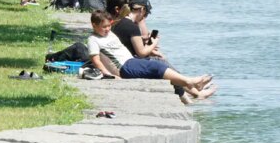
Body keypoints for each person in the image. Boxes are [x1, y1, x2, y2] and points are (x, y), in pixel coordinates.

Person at [88, 10, 216, 103]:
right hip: (125, 67)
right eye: (104, 27)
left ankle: (193, 95)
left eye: (109, 25)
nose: (107, 29)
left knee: (162, 69)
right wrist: (108, 75)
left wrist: (145, 38)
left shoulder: (109, 33)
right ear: (94, 25)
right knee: (156, 66)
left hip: (132, 61)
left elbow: (119, 20)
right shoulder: (93, 39)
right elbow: (96, 61)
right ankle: (190, 82)